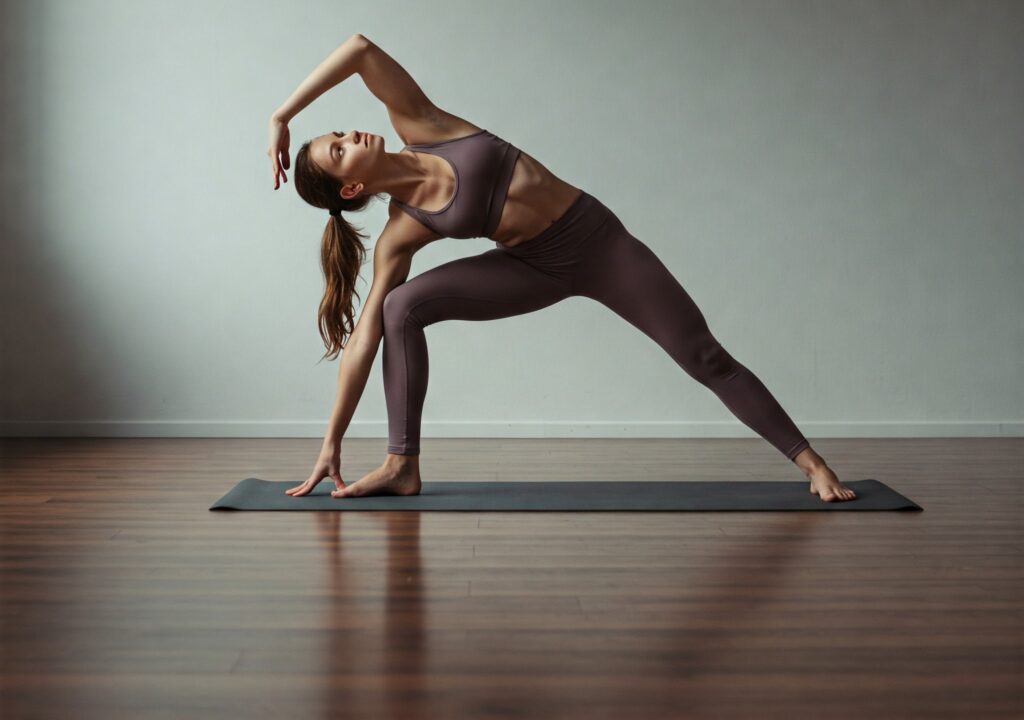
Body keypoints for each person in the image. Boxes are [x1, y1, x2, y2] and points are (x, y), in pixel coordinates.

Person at [268, 34, 857, 503]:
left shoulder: (423, 125)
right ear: (352, 186)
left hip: (600, 244)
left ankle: (812, 463)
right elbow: (365, 335)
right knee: (398, 307)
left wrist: (283, 114)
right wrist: (331, 442)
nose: (351, 134)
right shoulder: (404, 229)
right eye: (340, 148)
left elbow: (361, 49)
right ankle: (402, 465)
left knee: (703, 354)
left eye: (339, 132)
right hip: (536, 268)